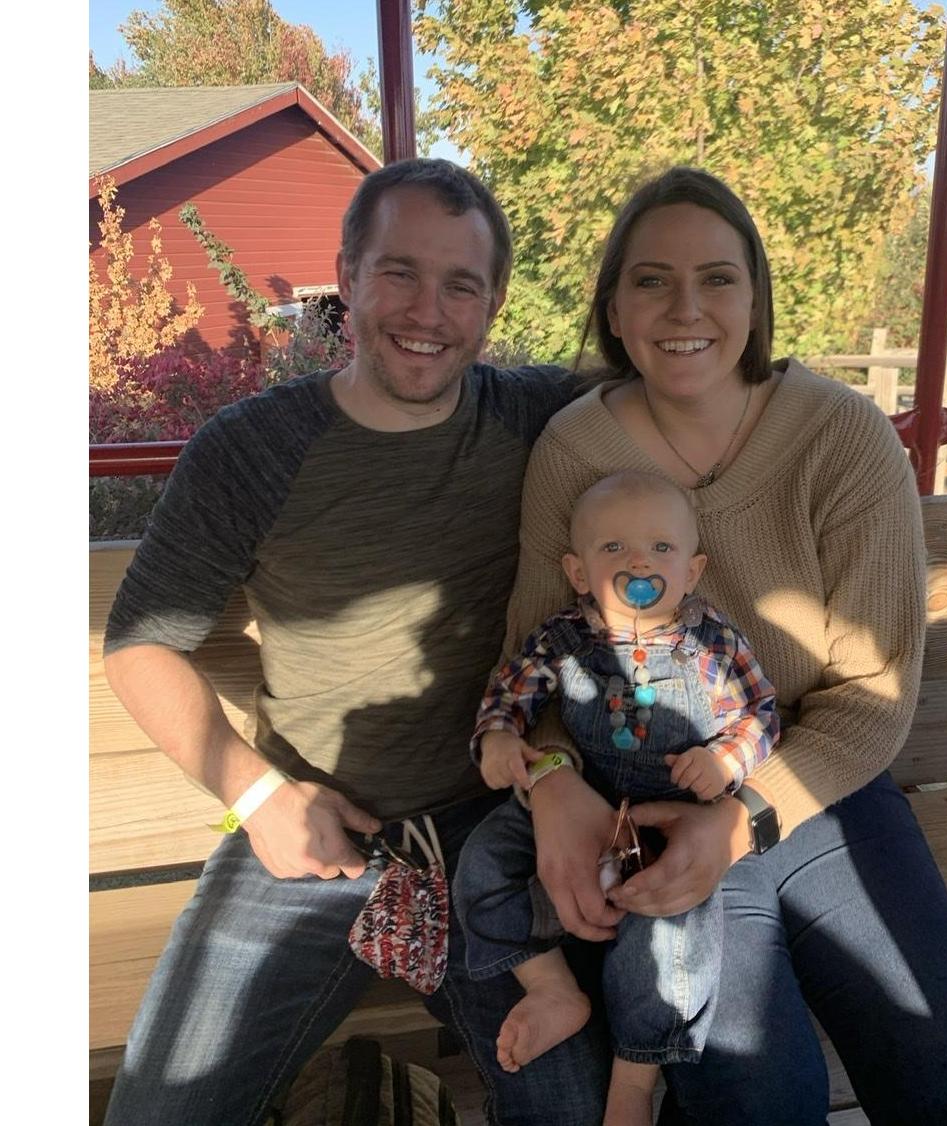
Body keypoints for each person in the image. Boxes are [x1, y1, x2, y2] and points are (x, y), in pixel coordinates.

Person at [501, 166, 947, 1124]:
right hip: (644, 801)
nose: (686, 309)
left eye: (718, 278)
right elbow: (532, 667)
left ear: (756, 301)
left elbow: (873, 690)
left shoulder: (840, 435)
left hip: (820, 785)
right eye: (652, 281)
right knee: (754, 1090)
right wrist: (549, 781)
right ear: (614, 310)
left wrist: (742, 814)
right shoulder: (573, 452)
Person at [100, 159, 615, 1126]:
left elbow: (685, 370)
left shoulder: (535, 417)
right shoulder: (252, 449)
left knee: (575, 1106)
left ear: (494, 305)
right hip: (315, 834)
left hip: (492, 832)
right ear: (346, 275)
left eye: (461, 285)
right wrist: (260, 799)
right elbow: (139, 646)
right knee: (161, 1114)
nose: (428, 311)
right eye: (398, 272)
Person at [454, 470, 779, 1125]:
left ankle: (635, 1077)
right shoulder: (564, 639)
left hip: (671, 817)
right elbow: (511, 692)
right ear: (578, 572)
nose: (639, 562)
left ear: (692, 570)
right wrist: (499, 738)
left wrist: (724, 759)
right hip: (585, 801)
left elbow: (760, 716)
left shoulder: (711, 643)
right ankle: (550, 988)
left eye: (661, 548)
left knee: (673, 932)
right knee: (482, 861)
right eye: (614, 549)